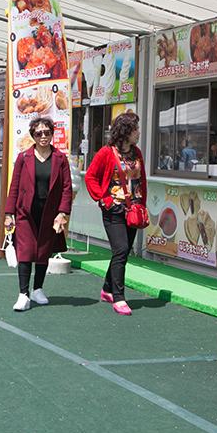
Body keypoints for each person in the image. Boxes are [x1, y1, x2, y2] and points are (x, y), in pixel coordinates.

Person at [4, 118, 72, 311]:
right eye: (38, 133)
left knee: (43, 252)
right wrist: (9, 214)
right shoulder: (23, 157)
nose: (43, 136)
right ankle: (23, 294)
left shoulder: (60, 159)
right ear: (32, 135)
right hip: (25, 212)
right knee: (25, 253)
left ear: (52, 133)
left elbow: (67, 188)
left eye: (47, 132)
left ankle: (38, 289)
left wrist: (62, 213)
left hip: (49, 213)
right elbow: (14, 187)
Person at [84, 112, 147, 316]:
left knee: (123, 251)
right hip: (114, 210)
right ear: (126, 132)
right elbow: (91, 176)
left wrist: (142, 204)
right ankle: (119, 298)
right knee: (120, 250)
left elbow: (141, 181)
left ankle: (107, 288)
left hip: (134, 210)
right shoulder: (106, 152)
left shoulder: (136, 152)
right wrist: (103, 199)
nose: (138, 133)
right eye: (135, 129)